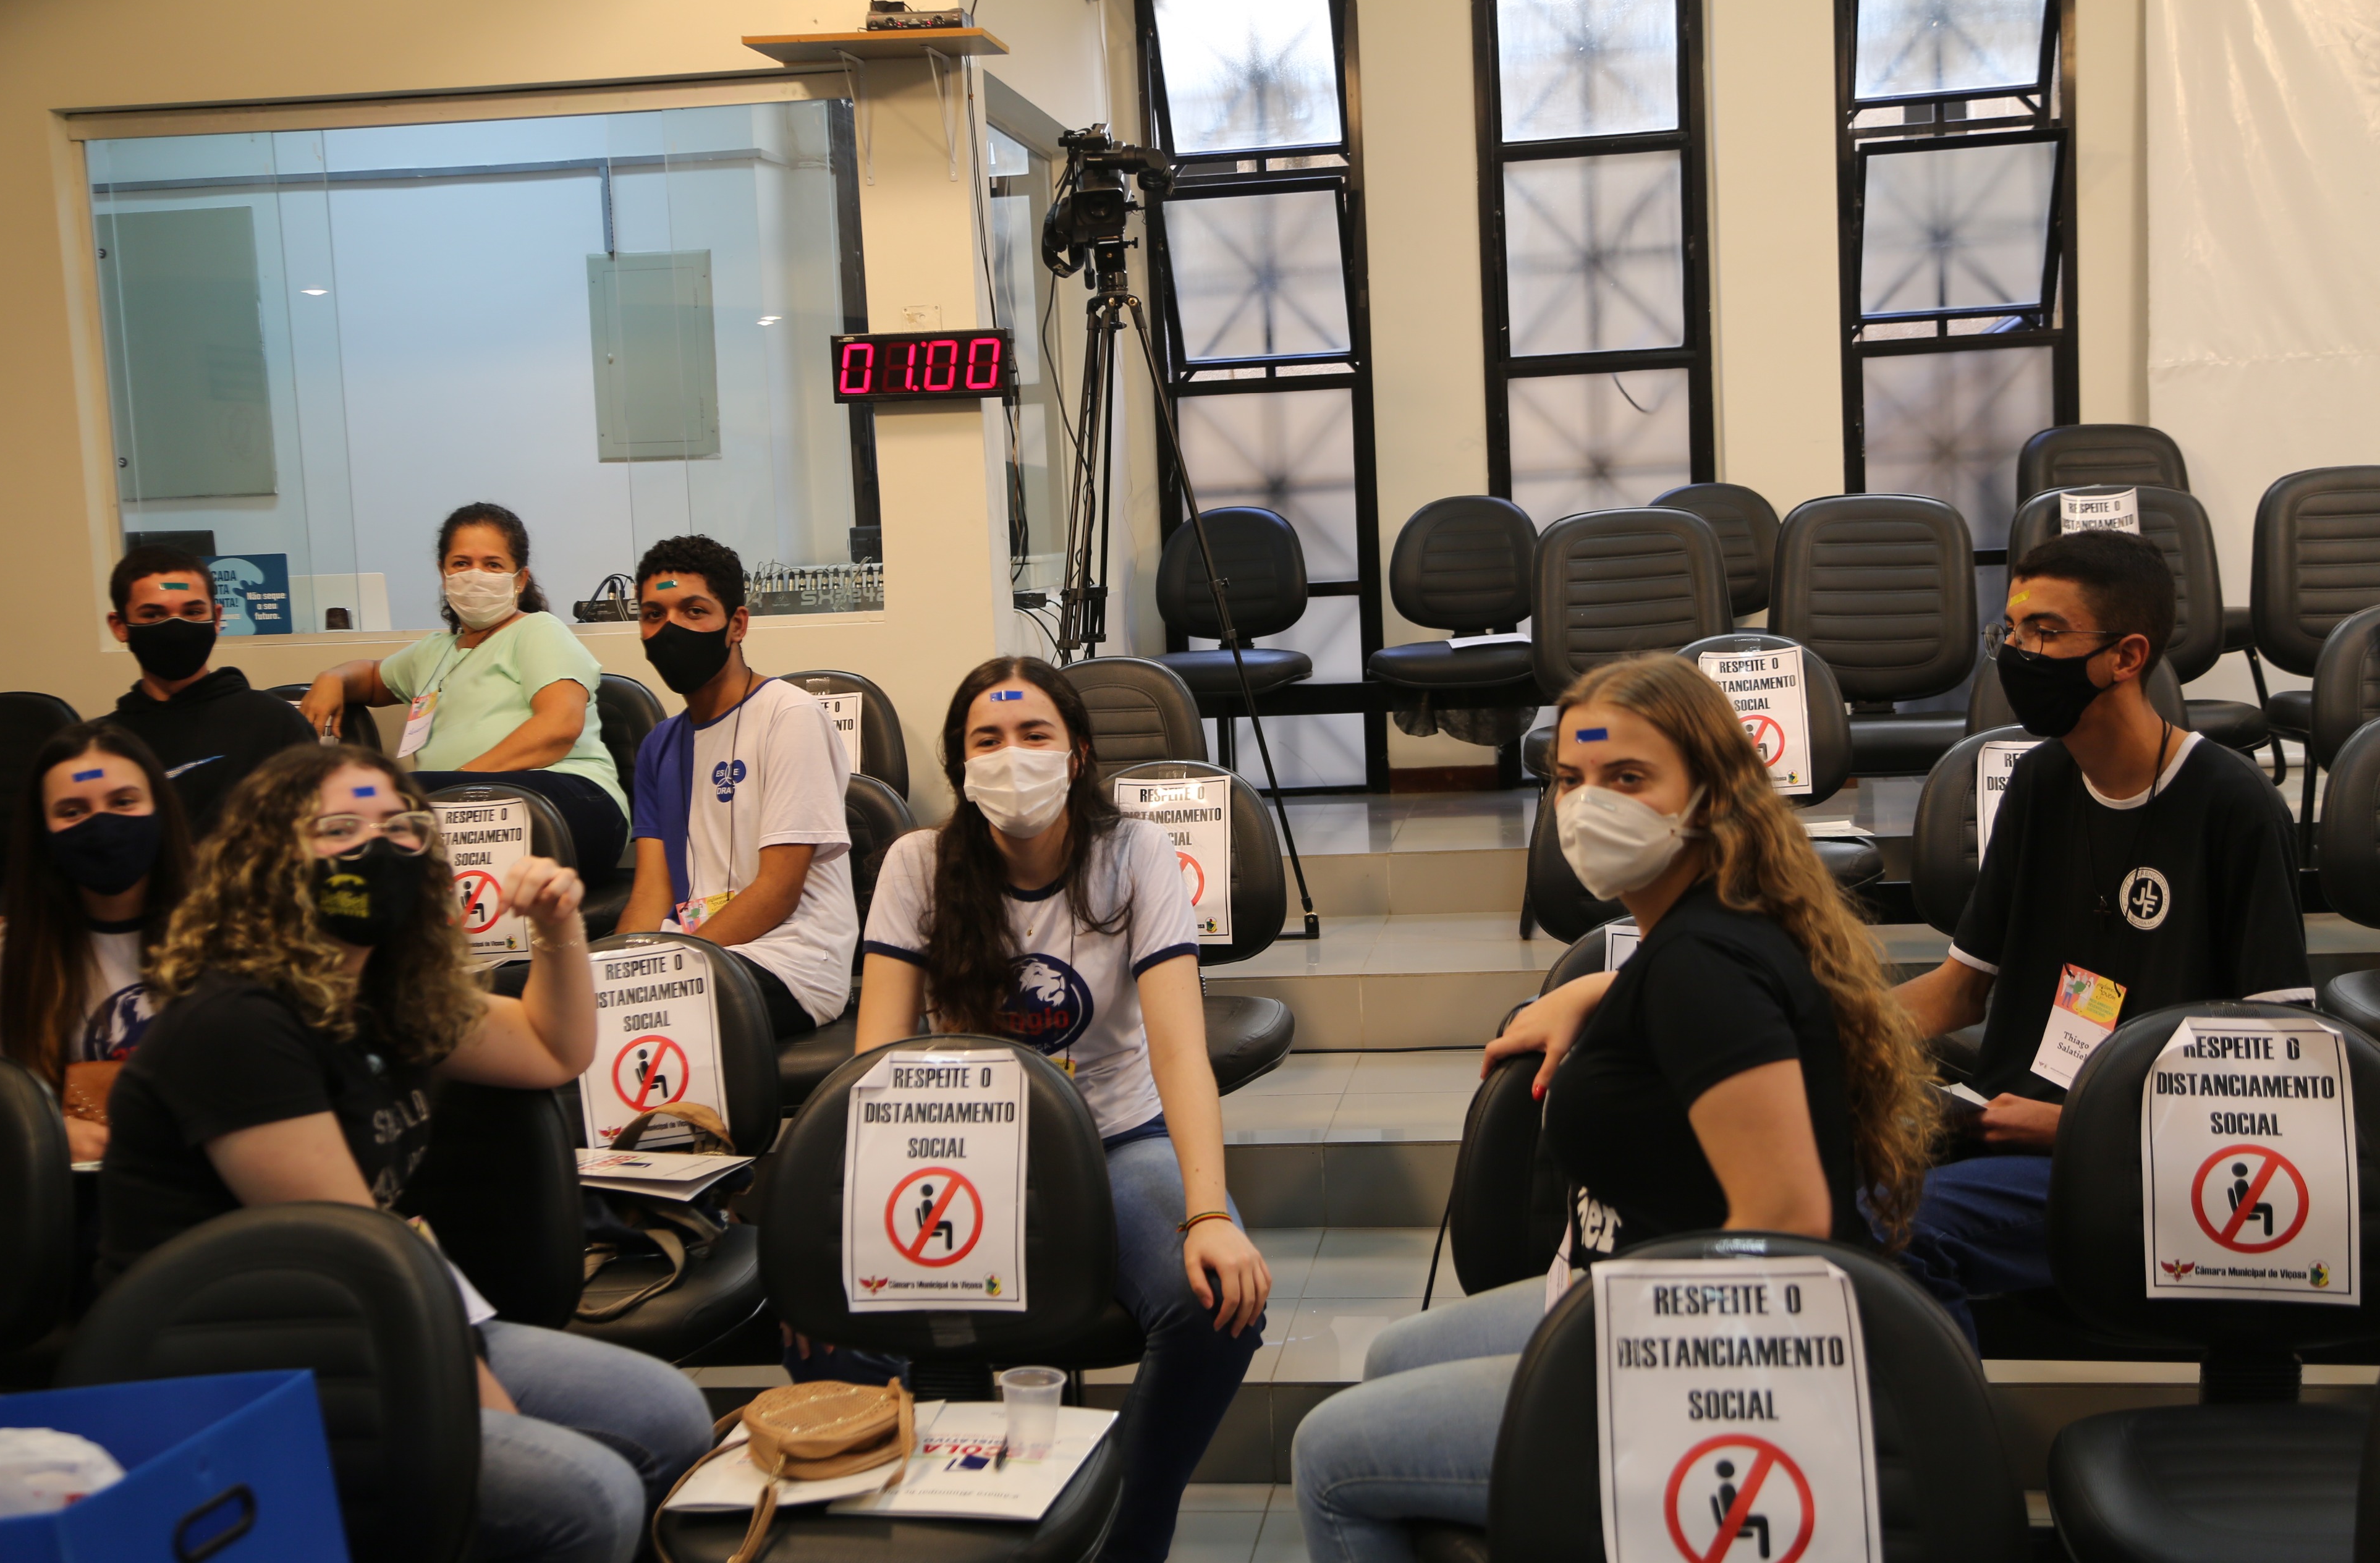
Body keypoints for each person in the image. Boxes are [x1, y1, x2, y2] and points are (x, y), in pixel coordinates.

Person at [1289, 653, 1937, 1563]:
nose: (1590, 805)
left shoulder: (1702, 967)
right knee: (1395, 1356)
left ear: (1709, 795)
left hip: (1707, 1362)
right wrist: (1591, 993)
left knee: (1328, 1455)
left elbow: (1785, 1225)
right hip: (1623, 1285)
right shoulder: (1699, 927)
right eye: (1570, 779)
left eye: (1628, 777)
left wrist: (1632, 1380)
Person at [99, 743, 707, 1563]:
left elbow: (551, 1050)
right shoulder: (235, 1023)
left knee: (670, 1413)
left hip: (369, 1330)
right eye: (339, 829)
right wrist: (479, 1410)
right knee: (586, 1493)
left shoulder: (382, 993)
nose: (376, 848)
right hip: (239, 1376)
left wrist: (557, 926)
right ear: (269, 860)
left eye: (397, 827)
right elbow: (358, 1268)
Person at [857, 656, 1271, 1563]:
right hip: (962, 1154)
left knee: (1218, 1305)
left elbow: (1178, 1052)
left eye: (1034, 733)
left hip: (1116, 1139)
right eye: (988, 739)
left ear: (1076, 752)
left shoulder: (1135, 853)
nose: (1013, 755)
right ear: (961, 766)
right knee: (843, 1313)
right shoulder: (916, 864)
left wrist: (1208, 1213)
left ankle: (1125, 1531)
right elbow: (877, 1062)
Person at [1890, 528, 2310, 1345]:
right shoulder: (2040, 780)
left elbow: (2275, 1073)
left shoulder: (2233, 805)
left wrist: (2072, 1124)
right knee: (1815, 1189)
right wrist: (1820, 1036)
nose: (2018, 653)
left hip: (2140, 1159)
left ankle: (1952, 1430)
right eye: (2011, 630)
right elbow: (1960, 988)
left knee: (1898, 1228)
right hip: (2007, 1125)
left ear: (2126, 656)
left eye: (2045, 632)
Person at [297, 502, 629, 885]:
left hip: (565, 799)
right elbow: (373, 677)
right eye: (461, 563)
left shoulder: (538, 631)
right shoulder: (434, 652)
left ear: (520, 579)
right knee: (360, 811)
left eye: (493, 565)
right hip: (459, 807)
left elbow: (559, 727)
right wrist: (333, 678)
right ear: (444, 574)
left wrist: (454, 785)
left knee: (384, 799)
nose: (475, 576)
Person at [617, 535, 857, 1040]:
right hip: (693, 953)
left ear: (737, 624)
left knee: (630, 1019)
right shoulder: (660, 744)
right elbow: (651, 893)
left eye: (694, 611)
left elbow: (778, 892)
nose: (670, 629)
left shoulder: (789, 715)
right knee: (551, 1002)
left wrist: (664, 975)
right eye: (654, 614)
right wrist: (618, 973)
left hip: (791, 961)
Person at [0, 723, 194, 1161]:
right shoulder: (8, 955)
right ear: (43, 833)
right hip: (76, 1189)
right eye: (72, 811)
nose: (102, 826)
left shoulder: (229, 939)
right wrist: (47, 1132)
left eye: (123, 802)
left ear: (160, 809)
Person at [100, 545, 313, 836]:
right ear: (120, 626)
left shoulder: (274, 723)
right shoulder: (104, 744)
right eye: (153, 615)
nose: (176, 629)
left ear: (216, 619)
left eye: (193, 612)